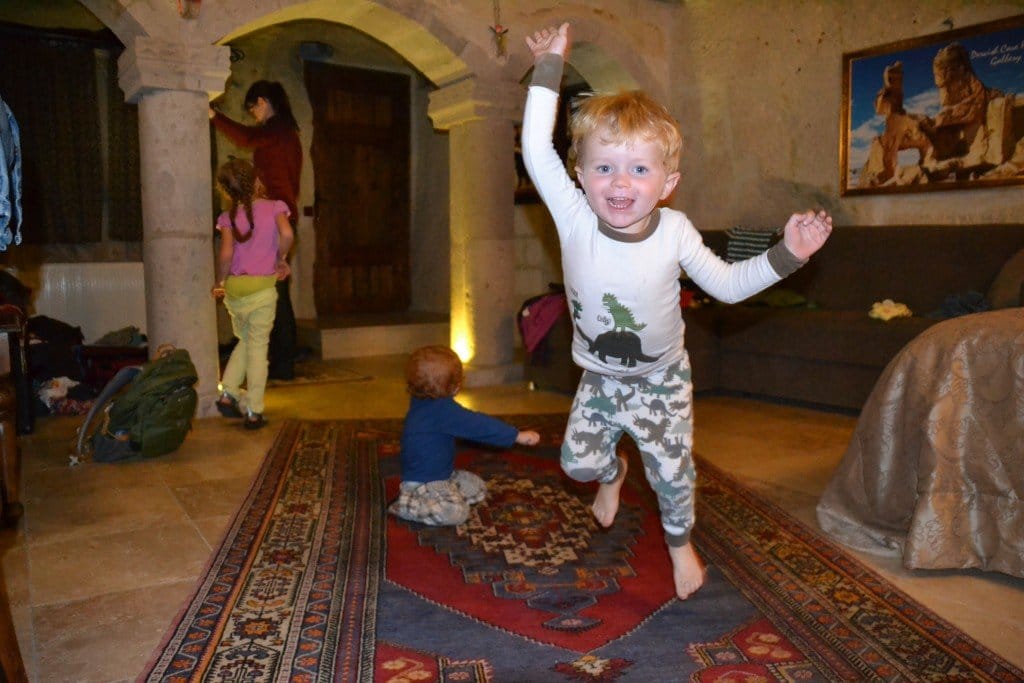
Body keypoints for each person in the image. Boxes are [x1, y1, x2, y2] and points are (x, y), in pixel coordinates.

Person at [522, 23, 833, 600]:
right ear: (579, 174)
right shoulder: (573, 216)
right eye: (604, 167)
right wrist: (551, 66)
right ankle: (612, 476)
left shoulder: (676, 232)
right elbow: (535, 148)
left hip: (662, 379)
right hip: (599, 375)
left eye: (640, 170)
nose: (620, 182)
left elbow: (732, 285)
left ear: (668, 184)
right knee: (577, 464)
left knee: (672, 474)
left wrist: (789, 254)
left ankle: (679, 546)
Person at [389, 345, 541, 526]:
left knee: (477, 488)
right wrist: (516, 435)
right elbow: (479, 425)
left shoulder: (423, 400)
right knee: (456, 513)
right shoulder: (443, 411)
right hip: (423, 484)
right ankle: (407, 505)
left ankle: (433, 498)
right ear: (455, 386)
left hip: (443, 476)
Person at [210, 80, 302, 380]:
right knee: (275, 292)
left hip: (273, 217)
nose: (253, 115)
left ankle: (280, 362)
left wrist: (214, 116)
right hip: (281, 215)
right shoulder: (288, 134)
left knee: (272, 294)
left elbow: (246, 137)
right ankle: (280, 362)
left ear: (263, 101)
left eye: (253, 108)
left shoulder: (276, 131)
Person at [210, 158, 294, 430]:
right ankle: (254, 411)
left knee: (245, 341)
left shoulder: (227, 217)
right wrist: (281, 258)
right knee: (257, 348)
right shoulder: (275, 207)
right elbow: (287, 234)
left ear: (226, 192)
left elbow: (226, 253)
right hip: (262, 290)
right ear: (257, 181)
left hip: (236, 290)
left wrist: (220, 281)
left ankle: (228, 392)